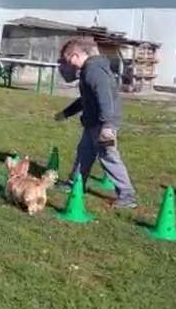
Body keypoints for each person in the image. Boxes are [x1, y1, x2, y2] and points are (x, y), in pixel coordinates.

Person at [54, 37, 137, 209]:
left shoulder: (93, 71)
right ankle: (75, 184)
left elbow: (105, 98)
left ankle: (127, 195)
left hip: (103, 124)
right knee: (84, 153)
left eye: (67, 60)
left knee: (109, 157)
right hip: (92, 123)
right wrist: (66, 113)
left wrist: (107, 126)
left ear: (75, 56)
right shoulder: (88, 70)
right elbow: (85, 99)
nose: (67, 65)